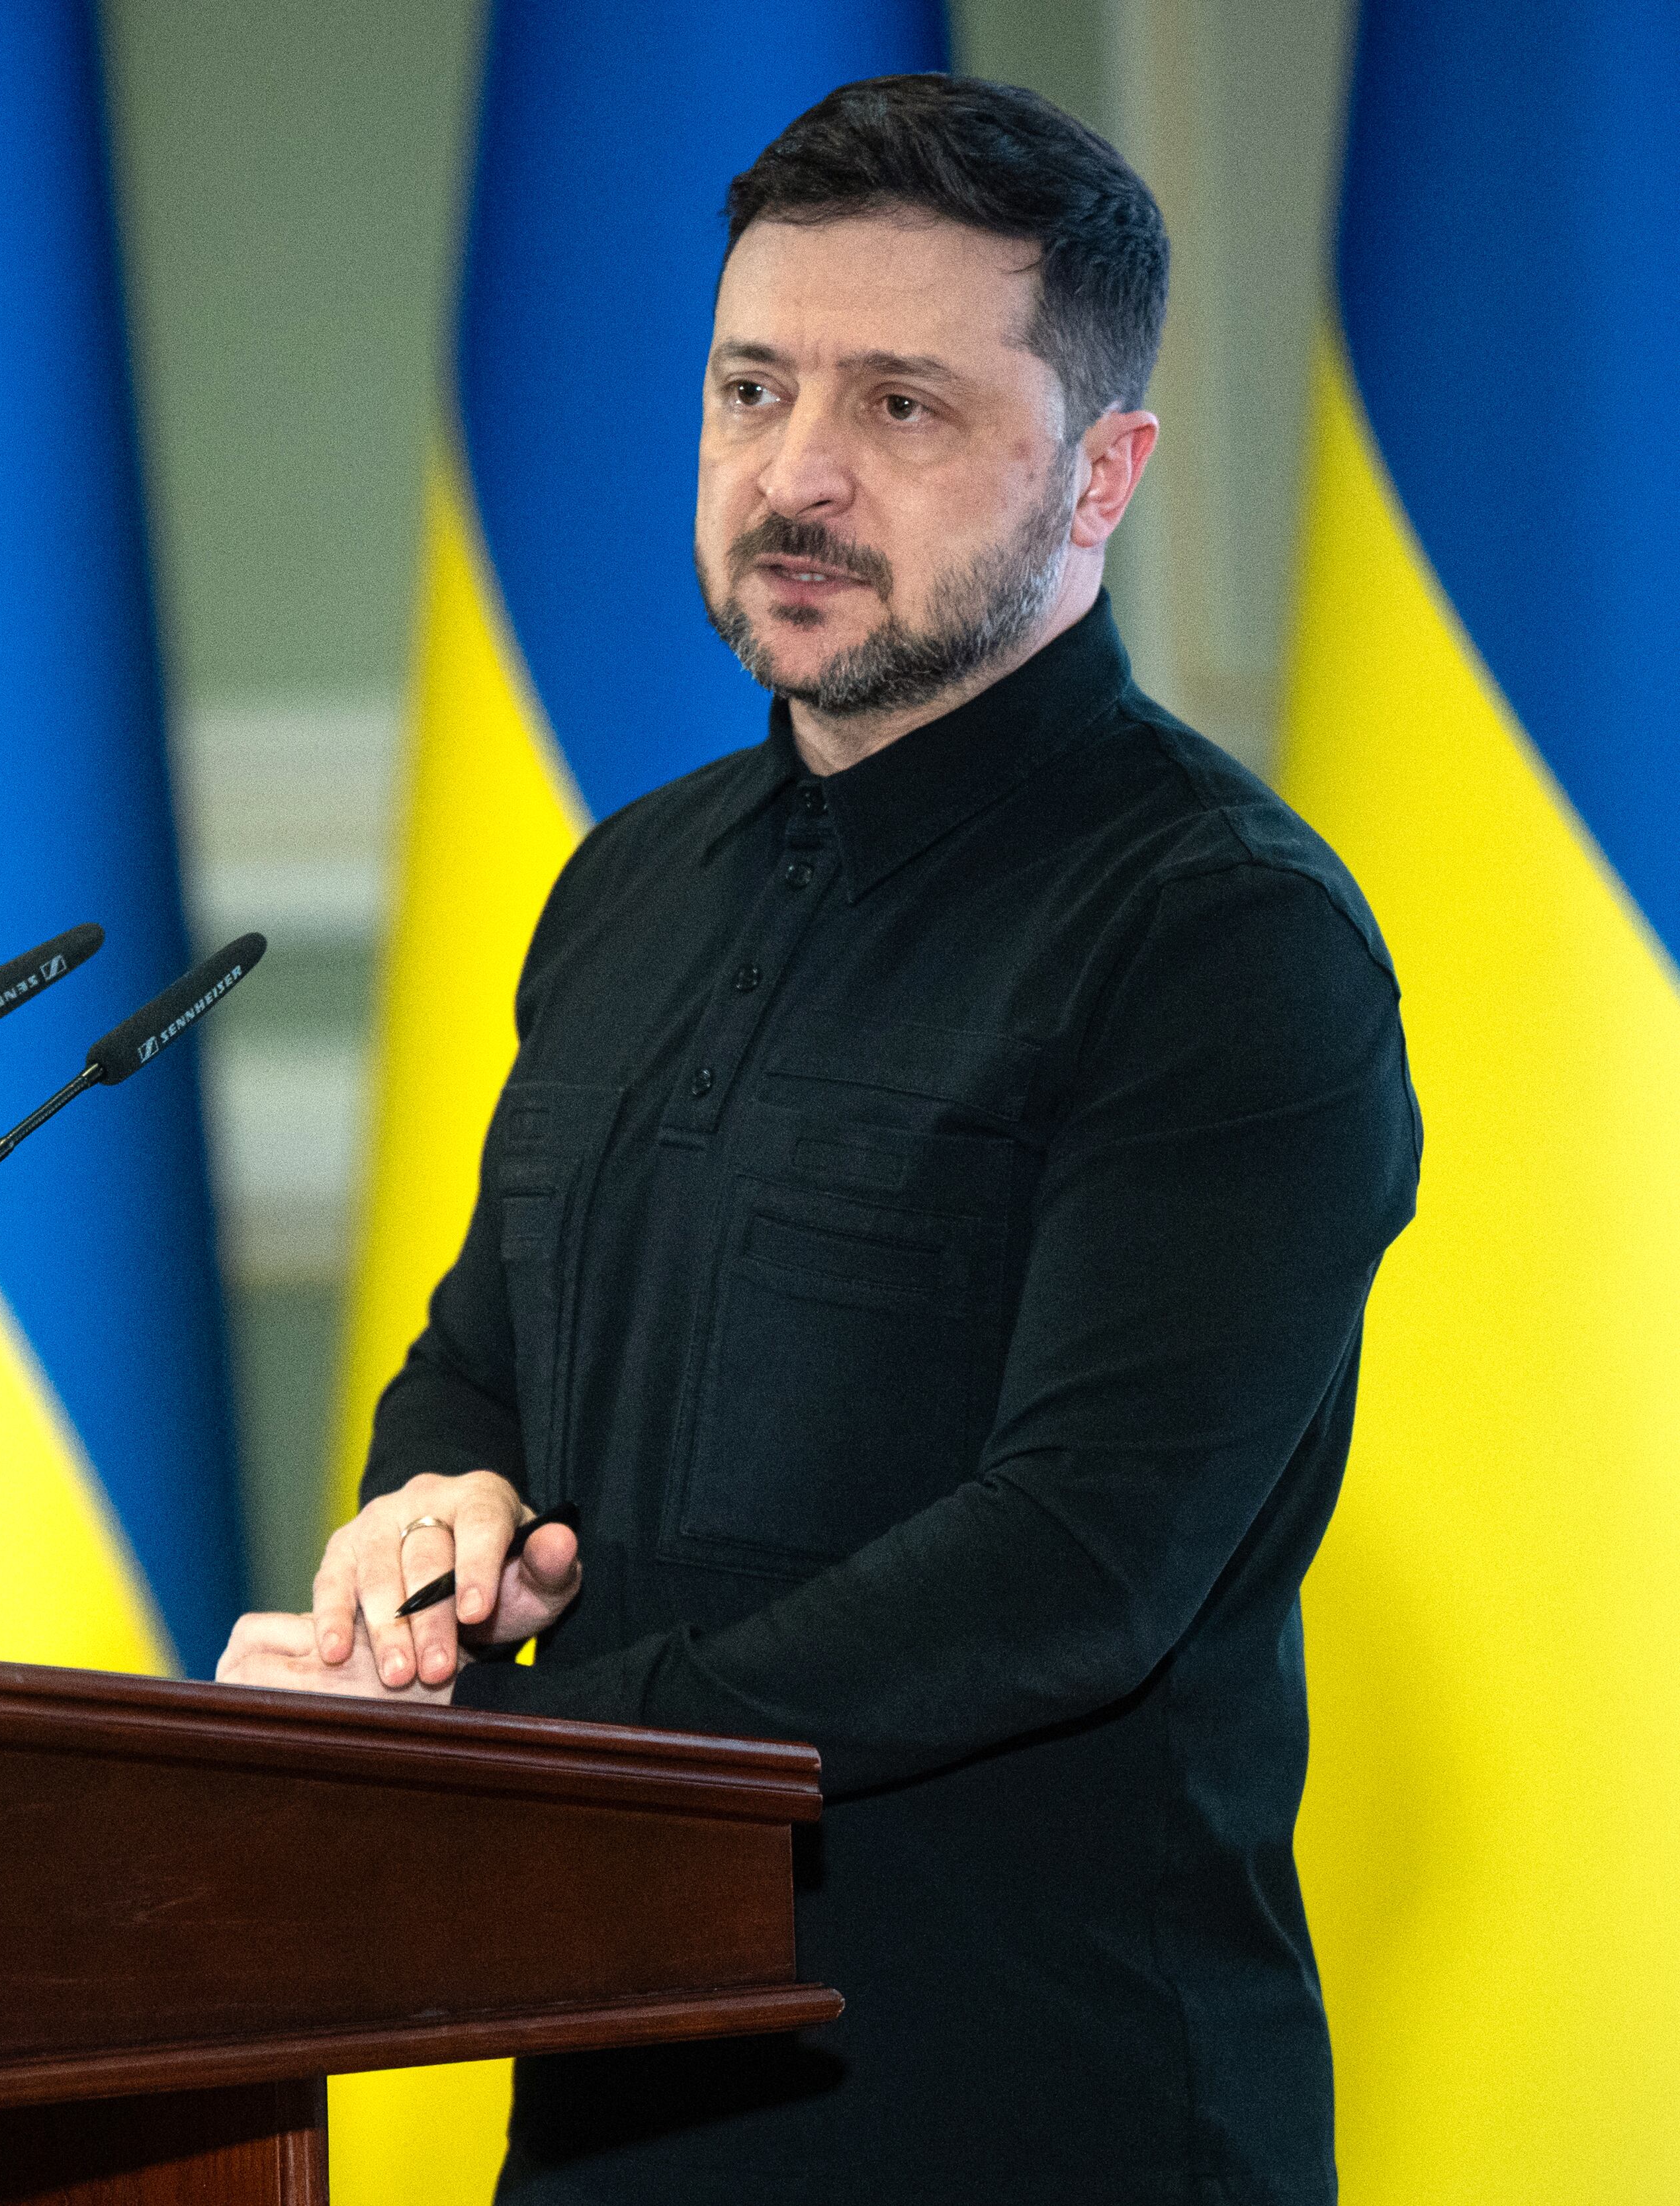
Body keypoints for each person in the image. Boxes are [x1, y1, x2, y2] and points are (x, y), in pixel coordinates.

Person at [219, 76, 1417, 2204]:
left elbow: (1077, 1571)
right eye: (753, 387)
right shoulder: (631, 884)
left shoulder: (1218, 932)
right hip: (611, 2109)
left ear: (1103, 471)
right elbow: (486, 1364)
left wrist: (507, 1767)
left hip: (1044, 2127)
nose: (797, 476)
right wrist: (428, 1538)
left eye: (904, 410)